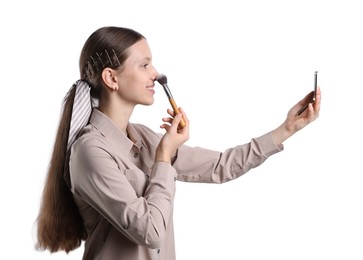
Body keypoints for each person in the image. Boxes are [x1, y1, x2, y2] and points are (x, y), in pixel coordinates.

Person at [35, 26, 321, 260]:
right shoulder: (89, 151)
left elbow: (219, 166)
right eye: (145, 64)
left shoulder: (143, 137)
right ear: (111, 78)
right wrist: (163, 158)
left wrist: (286, 129)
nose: (155, 74)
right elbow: (149, 230)